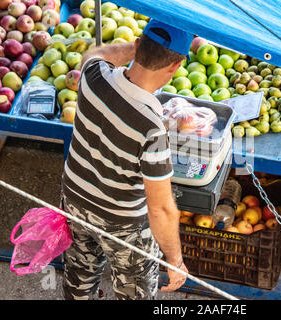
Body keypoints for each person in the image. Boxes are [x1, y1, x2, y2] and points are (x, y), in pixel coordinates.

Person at [60, 19, 193, 300]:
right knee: (134, 293)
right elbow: (161, 209)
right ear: (175, 66)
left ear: (137, 45)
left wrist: (139, 51)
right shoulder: (152, 128)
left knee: (78, 279)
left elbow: (94, 55)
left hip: (74, 201)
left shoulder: (94, 75)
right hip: (121, 223)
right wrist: (175, 261)